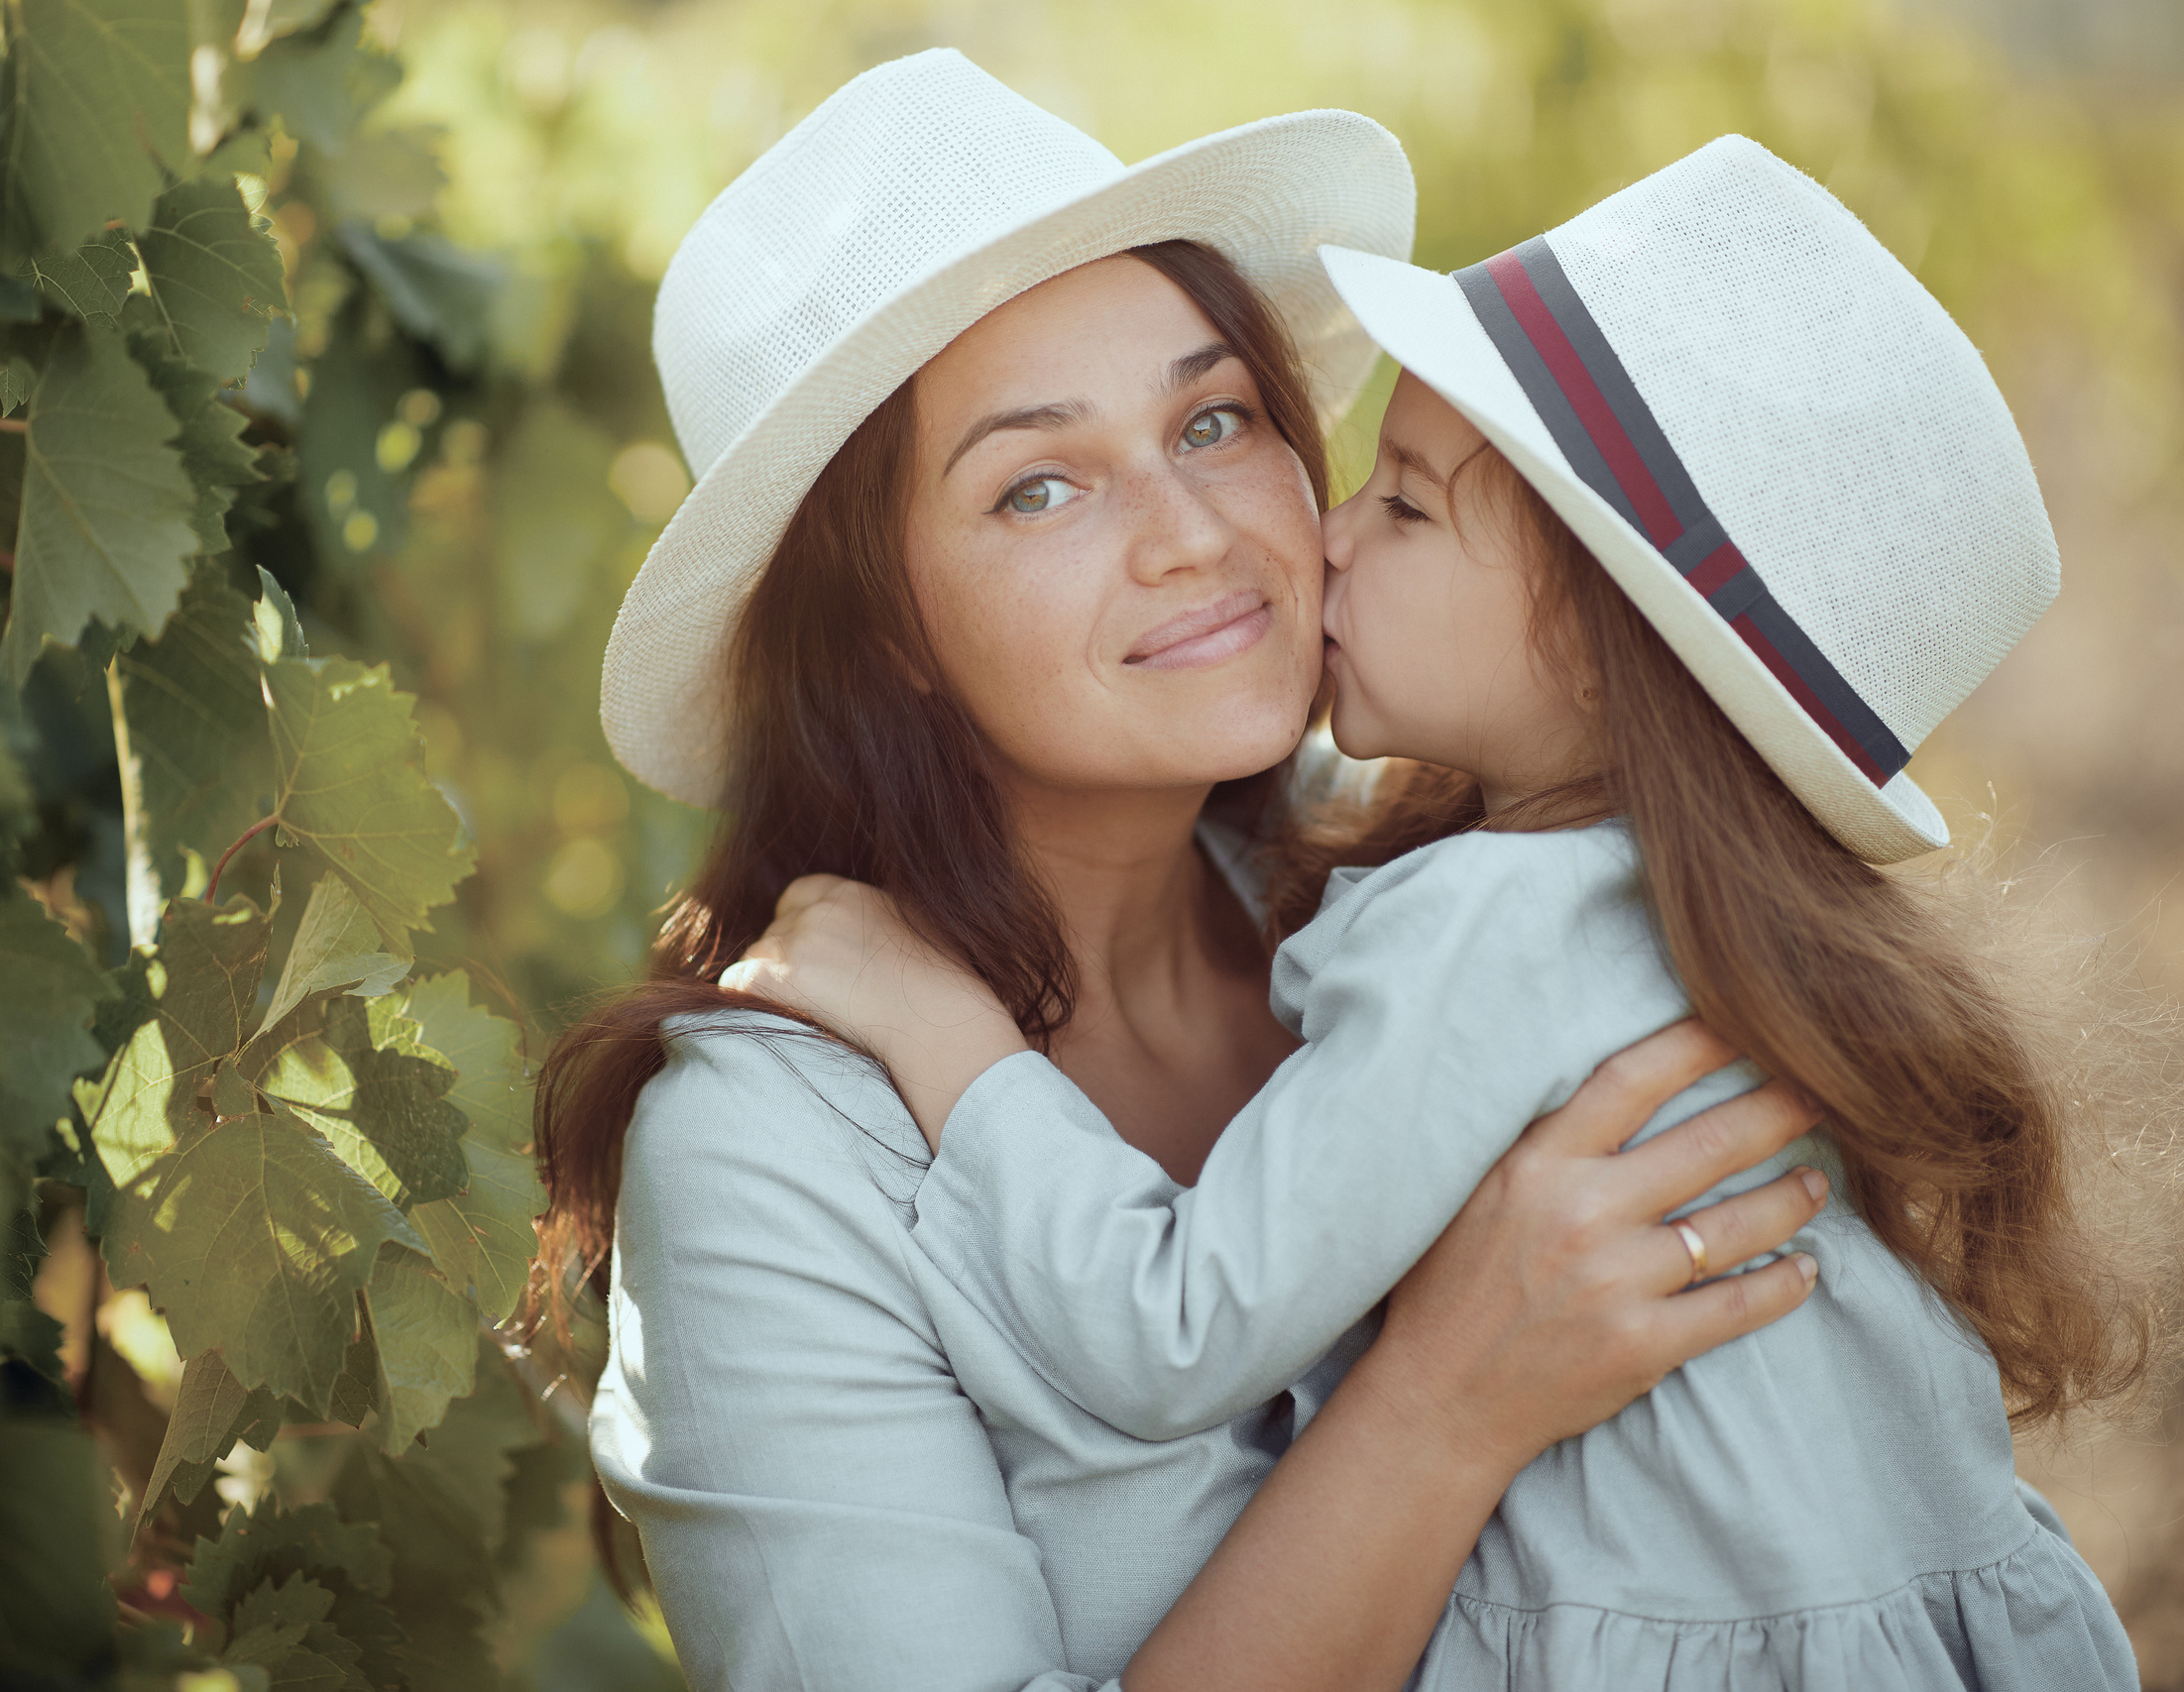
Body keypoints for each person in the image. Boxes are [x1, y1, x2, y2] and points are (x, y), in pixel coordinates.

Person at [732, 139, 2156, 1686]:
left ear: (1613, 651)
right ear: (884, 628)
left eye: (1399, 504)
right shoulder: (1665, 916)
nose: (1300, 535)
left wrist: (950, 1038)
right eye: (1039, 484)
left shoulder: (1477, 929)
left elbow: (1175, 1334)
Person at [536, 53, 1829, 1691]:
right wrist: (1443, 1407)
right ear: (883, 631)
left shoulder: (1436, 895)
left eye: (1211, 419)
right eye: (1040, 485)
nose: (1195, 532)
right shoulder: (773, 1153)